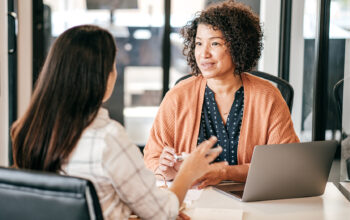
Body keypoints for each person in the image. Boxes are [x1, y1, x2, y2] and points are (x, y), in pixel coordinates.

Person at [10, 25, 222, 220]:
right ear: (101, 77)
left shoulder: (27, 130)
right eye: (113, 66)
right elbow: (163, 213)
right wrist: (188, 172)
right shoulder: (108, 138)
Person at [143, 0, 300, 188]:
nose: (204, 54)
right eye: (199, 43)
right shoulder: (178, 96)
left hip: (250, 200)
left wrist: (226, 173)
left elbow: (284, 164)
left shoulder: (268, 96)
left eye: (215, 43)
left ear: (238, 46)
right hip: (193, 201)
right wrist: (168, 172)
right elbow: (152, 158)